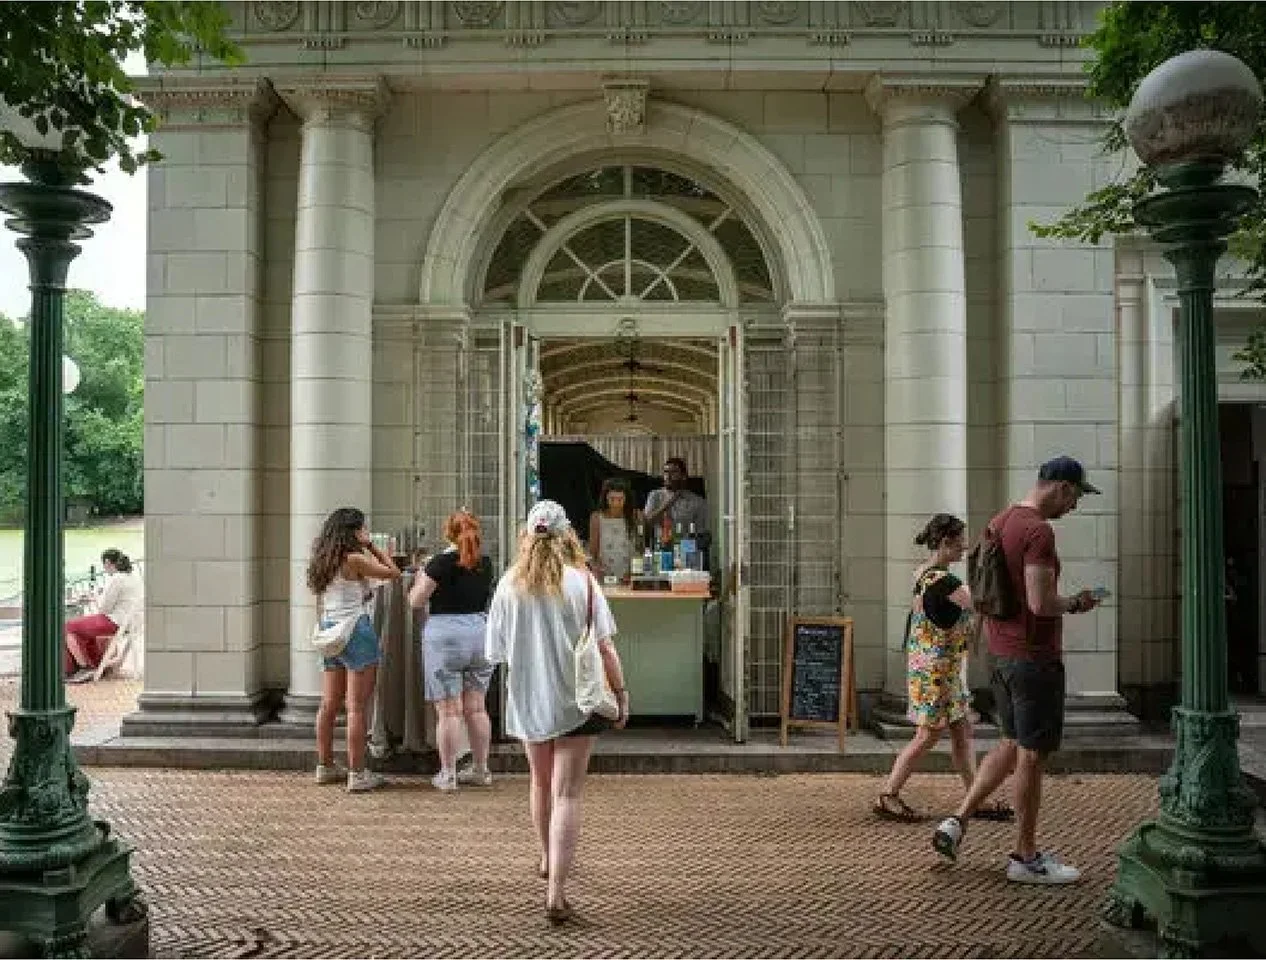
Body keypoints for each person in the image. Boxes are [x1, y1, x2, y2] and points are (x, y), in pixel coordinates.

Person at [932, 456, 1102, 884]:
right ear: (1061, 487)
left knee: (1009, 741)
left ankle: (958, 819)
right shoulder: (1038, 531)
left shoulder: (1000, 521)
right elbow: (1040, 603)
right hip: (1034, 659)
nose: (1075, 506)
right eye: (1077, 496)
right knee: (1031, 753)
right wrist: (1078, 602)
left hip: (1001, 654)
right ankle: (1025, 857)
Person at [485, 499, 630, 926]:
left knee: (540, 781)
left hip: (530, 699)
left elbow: (493, 652)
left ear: (527, 537)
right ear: (569, 536)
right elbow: (605, 646)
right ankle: (556, 894)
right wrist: (621, 695)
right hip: (578, 701)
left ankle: (547, 858)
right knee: (568, 793)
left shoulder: (508, 585)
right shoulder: (583, 582)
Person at [873, 514, 1013, 823]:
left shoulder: (922, 575)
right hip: (936, 671)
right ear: (946, 543)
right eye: (961, 542)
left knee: (962, 730)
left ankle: (976, 798)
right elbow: (984, 603)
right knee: (927, 735)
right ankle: (889, 794)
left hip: (935, 669)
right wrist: (991, 562)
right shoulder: (946, 582)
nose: (964, 548)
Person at [307, 507, 401, 793]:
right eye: (362, 529)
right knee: (357, 707)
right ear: (354, 531)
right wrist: (372, 545)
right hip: (355, 630)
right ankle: (357, 773)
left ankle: (325, 765)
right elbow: (393, 573)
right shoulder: (355, 559)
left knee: (328, 704)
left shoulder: (322, 560)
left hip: (330, 631)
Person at [408, 510, 496, 792]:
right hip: (480, 634)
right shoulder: (486, 563)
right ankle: (481, 769)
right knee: (477, 707)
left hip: (445, 637)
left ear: (448, 533)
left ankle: (448, 774)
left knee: (448, 711)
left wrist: (421, 575)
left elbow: (416, 600)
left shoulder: (440, 563)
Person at [65, 548, 144, 683]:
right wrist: (99, 595)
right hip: (132, 622)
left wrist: (95, 598)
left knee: (68, 626)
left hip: (117, 622)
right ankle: (94, 664)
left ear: (107, 563)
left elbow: (104, 609)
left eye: (104, 564)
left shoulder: (117, 578)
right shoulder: (133, 577)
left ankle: (84, 668)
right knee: (83, 630)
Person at [642, 457, 709, 544]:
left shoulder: (697, 501)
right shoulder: (655, 495)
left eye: (673, 472)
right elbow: (647, 522)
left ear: (683, 476)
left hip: (686, 548)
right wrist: (670, 501)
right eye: (665, 472)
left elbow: (701, 533)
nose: (668, 476)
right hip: (660, 547)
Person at [588, 478, 636, 580]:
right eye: (612, 499)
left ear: (626, 499)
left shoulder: (636, 516)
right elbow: (593, 553)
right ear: (606, 498)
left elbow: (641, 548)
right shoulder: (597, 518)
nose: (616, 503)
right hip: (605, 576)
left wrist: (634, 573)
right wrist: (597, 570)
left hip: (630, 576)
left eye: (620, 499)